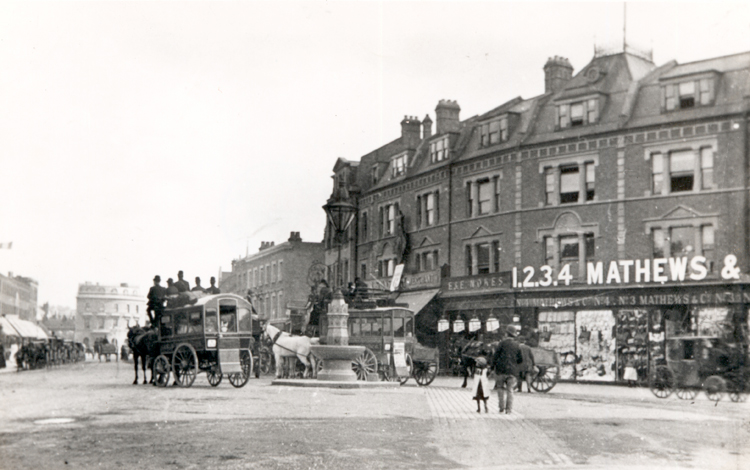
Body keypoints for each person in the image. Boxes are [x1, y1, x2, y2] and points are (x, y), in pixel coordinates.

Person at [492, 324, 524, 414]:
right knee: (510, 390)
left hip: (500, 370)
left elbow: (495, 356)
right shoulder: (517, 345)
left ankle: (501, 408)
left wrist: (492, 367)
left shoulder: (501, 343)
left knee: (500, 388)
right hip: (512, 371)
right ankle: (509, 410)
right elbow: (520, 359)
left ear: (506, 334)